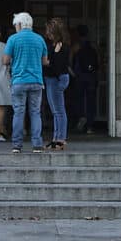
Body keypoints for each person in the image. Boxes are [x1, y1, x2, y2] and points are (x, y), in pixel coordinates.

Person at [5, 12, 48, 154]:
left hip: (18, 81)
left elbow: (5, 60)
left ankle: (17, 145)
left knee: (18, 113)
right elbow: (44, 61)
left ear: (19, 24)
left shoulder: (13, 39)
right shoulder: (40, 39)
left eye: (15, 24)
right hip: (36, 81)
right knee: (35, 113)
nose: (15, 27)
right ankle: (37, 144)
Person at [41, 16, 71, 150]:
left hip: (56, 79)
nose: (48, 34)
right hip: (53, 79)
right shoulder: (55, 45)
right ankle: (56, 138)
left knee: (58, 110)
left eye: (50, 31)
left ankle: (60, 139)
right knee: (56, 111)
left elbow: (56, 65)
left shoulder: (61, 46)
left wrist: (48, 62)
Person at [69, 25, 99, 135]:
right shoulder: (93, 46)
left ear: (77, 34)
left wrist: (73, 75)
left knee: (79, 99)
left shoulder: (76, 46)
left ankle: (81, 117)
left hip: (79, 77)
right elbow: (98, 62)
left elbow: (69, 62)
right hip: (91, 77)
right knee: (91, 101)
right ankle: (90, 126)